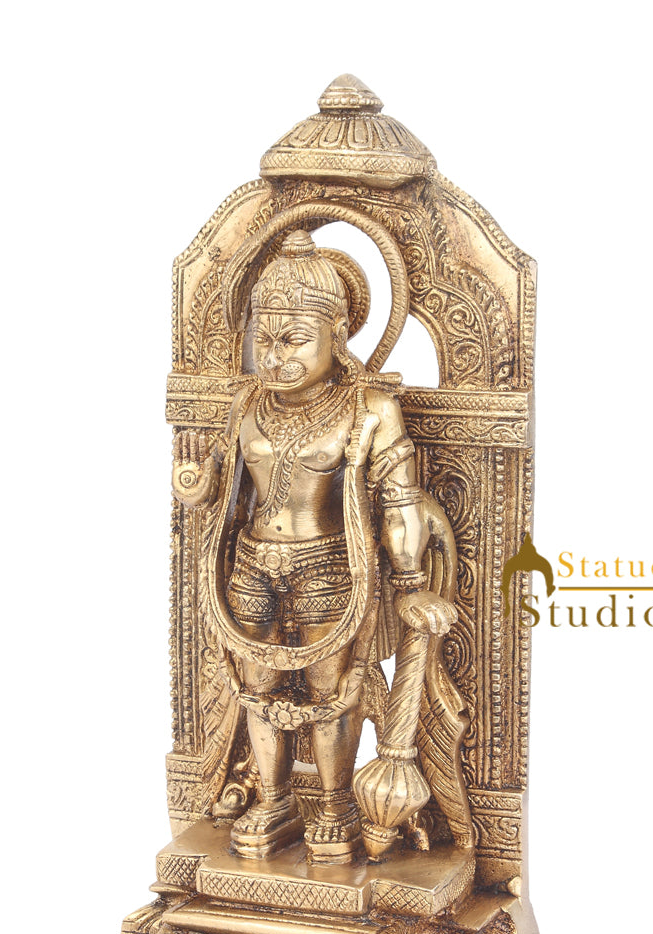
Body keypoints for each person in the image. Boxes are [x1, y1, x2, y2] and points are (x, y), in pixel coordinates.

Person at [172, 230, 454, 864]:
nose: (276, 358)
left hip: (329, 565)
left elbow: (400, 501)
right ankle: (273, 798)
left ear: (338, 335)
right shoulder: (247, 402)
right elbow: (225, 482)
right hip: (250, 563)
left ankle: (334, 803)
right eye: (265, 341)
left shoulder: (370, 409)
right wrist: (196, 482)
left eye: (295, 339)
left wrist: (411, 585)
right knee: (257, 682)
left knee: (332, 686)